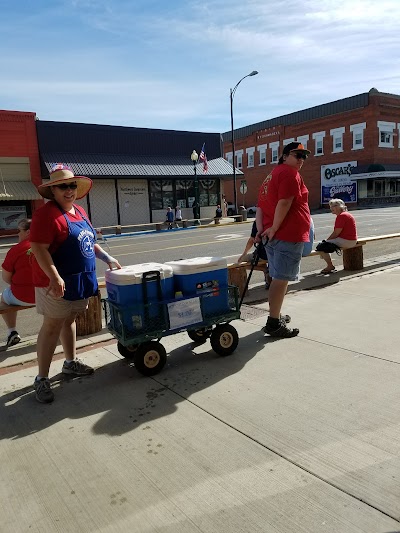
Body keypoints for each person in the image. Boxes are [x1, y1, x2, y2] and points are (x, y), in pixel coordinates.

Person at [30, 163, 122, 404]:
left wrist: (108, 258)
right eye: (62, 186)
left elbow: (88, 242)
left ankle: (70, 363)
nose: (68, 190)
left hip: (78, 282)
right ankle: (41, 378)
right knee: (51, 327)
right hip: (55, 284)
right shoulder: (46, 214)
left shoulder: (79, 211)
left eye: (72, 185)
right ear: (53, 190)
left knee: (69, 321)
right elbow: (38, 248)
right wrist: (54, 276)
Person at [256, 142, 311, 338]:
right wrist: (274, 228)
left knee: (278, 277)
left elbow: (260, 207)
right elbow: (285, 202)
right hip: (286, 235)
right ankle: (273, 323)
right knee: (281, 280)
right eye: (298, 155)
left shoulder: (271, 175)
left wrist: (261, 231)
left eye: (304, 156)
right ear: (285, 155)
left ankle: (275, 315)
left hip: (274, 236)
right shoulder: (289, 173)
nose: (301, 160)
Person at [1, 218, 35, 348]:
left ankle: (12, 332)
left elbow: (6, 278)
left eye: (19, 230)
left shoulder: (16, 250)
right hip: (46, 294)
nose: (18, 234)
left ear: (28, 232)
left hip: (22, 296)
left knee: (3, 298)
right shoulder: (47, 245)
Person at [318, 198, 357, 273]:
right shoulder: (346, 214)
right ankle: (329, 263)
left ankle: (330, 266)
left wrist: (326, 241)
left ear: (341, 206)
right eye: (331, 206)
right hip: (351, 240)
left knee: (321, 247)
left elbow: (336, 233)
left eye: (335, 206)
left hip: (347, 241)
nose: (332, 208)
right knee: (325, 245)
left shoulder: (341, 216)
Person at [238, 220, 271, 289]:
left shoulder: (258, 222)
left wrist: (244, 253)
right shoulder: (273, 219)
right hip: (276, 252)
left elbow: (251, 240)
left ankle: (264, 270)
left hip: (263, 254)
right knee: (262, 261)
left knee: (240, 262)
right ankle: (268, 276)